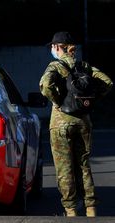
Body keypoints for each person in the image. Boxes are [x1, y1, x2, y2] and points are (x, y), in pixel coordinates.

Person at [39, 31, 113, 217]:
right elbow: (108, 82)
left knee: (64, 169)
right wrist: (90, 101)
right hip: (83, 121)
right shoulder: (84, 66)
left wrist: (58, 101)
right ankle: (91, 209)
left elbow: (45, 85)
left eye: (53, 47)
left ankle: (71, 211)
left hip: (60, 122)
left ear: (57, 48)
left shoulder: (56, 65)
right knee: (83, 164)